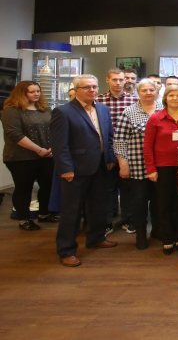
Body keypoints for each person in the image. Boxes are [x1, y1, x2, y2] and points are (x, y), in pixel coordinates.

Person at [51, 74, 118, 267]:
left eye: (94, 87)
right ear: (76, 90)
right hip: (75, 169)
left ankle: (96, 238)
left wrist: (111, 158)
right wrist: (66, 169)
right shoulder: (63, 112)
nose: (92, 90)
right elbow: (59, 144)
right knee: (72, 212)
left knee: (98, 207)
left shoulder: (103, 109)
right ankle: (66, 250)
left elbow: (109, 137)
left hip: (100, 166)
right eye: (87, 87)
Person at [144, 85, 178, 255]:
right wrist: (150, 168)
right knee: (164, 205)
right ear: (165, 98)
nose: (174, 98)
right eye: (171, 95)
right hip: (163, 168)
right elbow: (147, 146)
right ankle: (167, 239)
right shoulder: (155, 118)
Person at [114, 78, 163, 250]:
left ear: (157, 91)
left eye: (151, 89)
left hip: (161, 166)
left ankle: (158, 231)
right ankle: (141, 235)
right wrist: (123, 164)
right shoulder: (129, 112)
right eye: (144, 90)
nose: (148, 93)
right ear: (137, 92)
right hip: (137, 166)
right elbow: (119, 140)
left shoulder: (164, 110)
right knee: (140, 202)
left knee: (159, 201)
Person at [1, 81, 56, 230]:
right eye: (31, 92)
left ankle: (44, 214)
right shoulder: (12, 111)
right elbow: (15, 134)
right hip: (21, 158)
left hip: (47, 155)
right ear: (21, 93)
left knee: (47, 186)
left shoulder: (45, 109)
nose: (36, 94)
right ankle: (24, 219)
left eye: (38, 91)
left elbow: (53, 128)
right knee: (23, 188)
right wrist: (38, 149)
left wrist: (51, 147)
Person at [97, 67, 138, 234]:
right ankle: (107, 222)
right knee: (107, 189)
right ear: (107, 80)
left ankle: (128, 220)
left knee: (127, 189)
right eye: (115, 79)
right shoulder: (98, 101)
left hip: (128, 152)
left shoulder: (133, 101)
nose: (119, 83)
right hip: (105, 151)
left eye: (121, 79)